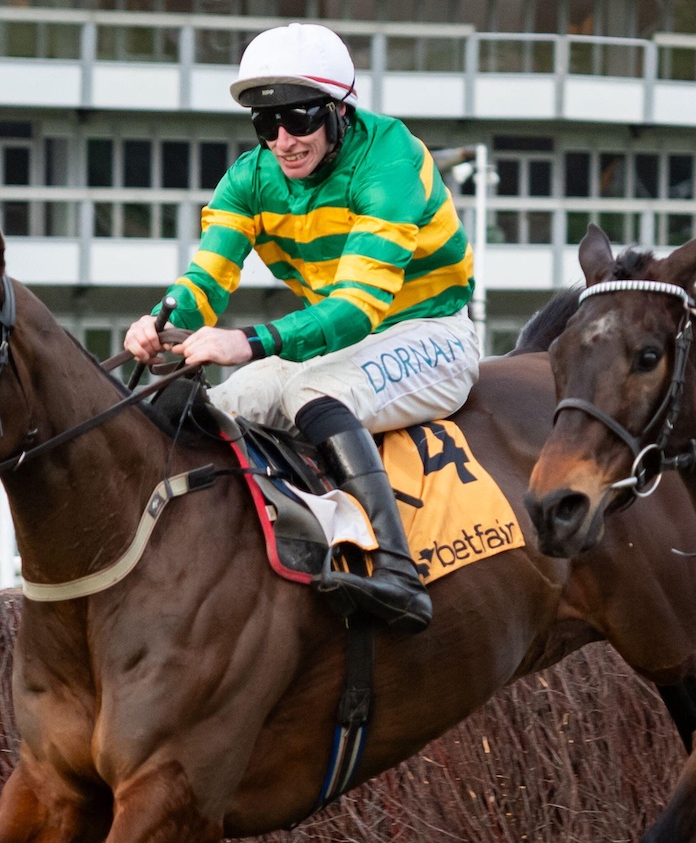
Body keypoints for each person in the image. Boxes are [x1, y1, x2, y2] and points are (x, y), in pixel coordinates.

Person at [124, 22, 478, 634]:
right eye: (267, 125)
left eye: (300, 118)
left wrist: (247, 342)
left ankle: (397, 574)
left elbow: (357, 307)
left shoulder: (392, 159)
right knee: (218, 406)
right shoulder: (249, 179)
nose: (283, 140)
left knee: (316, 393)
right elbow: (206, 283)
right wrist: (161, 323)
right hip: (339, 344)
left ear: (341, 110)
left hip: (431, 332)